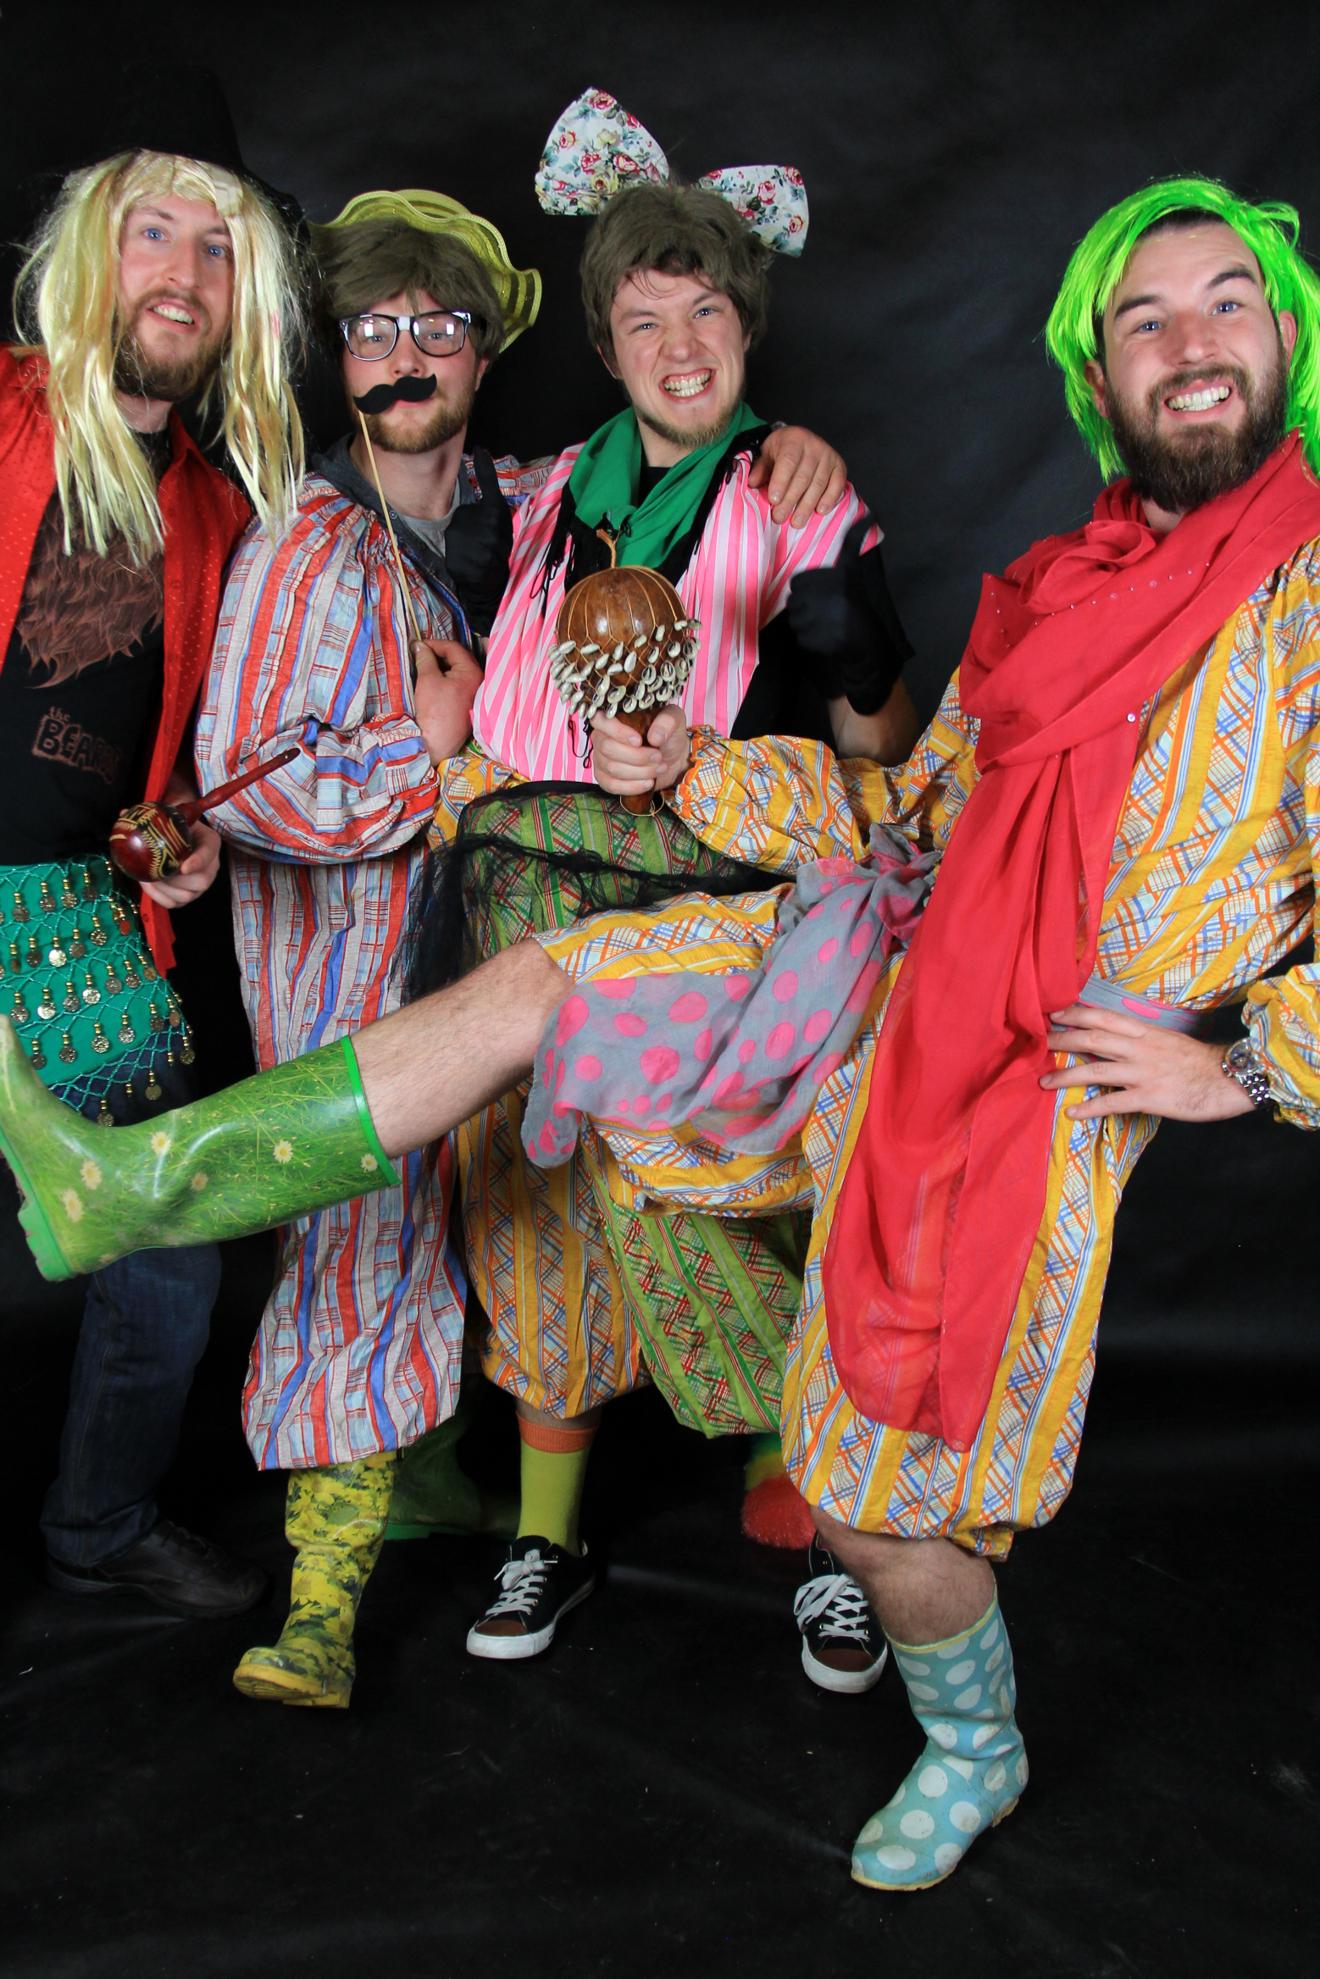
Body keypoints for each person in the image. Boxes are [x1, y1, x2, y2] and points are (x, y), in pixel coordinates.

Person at [20, 169, 1307, 1898]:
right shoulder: (1059, 582)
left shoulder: (1302, 600)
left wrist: (1245, 1062)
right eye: (1144, 318)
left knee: (872, 1480)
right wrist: (696, 765)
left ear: (1289, 334)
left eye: (1224, 303)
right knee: (546, 995)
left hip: (1039, 1064)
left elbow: (880, 719)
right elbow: (908, 813)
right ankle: (136, 1180)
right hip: (868, 938)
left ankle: (973, 1742)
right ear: (1100, 367)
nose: (1187, 343)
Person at [194, 182, 845, 1707]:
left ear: (485, 354)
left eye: (440, 326)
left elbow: (676, 459)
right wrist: (424, 755)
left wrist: (785, 449)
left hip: (510, 937)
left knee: (523, 1219)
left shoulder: (530, 498)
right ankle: (321, 1607)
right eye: (374, 330)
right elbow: (241, 786)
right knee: (356, 1235)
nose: (406, 356)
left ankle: (458, 1480)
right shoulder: (303, 537)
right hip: (357, 962)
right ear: (336, 356)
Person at [410, 88, 916, 1668]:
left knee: (708, 1189)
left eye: (706, 312)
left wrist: (856, 649)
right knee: (530, 1205)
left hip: (706, 901)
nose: (680, 345)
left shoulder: (802, 495)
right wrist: (452, 726)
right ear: (606, 340)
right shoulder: (542, 493)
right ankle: (546, 1540)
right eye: (646, 317)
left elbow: (885, 753)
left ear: (746, 327)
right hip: (517, 887)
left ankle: (833, 1518)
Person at [0, 78, 304, 1617]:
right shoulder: (0, 411)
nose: (181, 275)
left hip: (73, 924)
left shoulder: (214, 514)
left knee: (169, 1251)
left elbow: (168, 750)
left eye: (216, 247)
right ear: (91, 251)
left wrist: (182, 844)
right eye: (152, 232)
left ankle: (100, 1526)